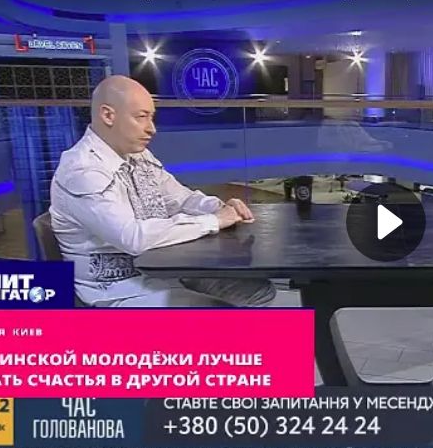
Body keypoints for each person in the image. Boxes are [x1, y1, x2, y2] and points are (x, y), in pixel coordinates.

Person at [50, 75, 276, 307]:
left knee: (257, 290)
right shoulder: (81, 170)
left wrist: (219, 208)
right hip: (119, 291)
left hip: (166, 272)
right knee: (215, 310)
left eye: (152, 118)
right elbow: (132, 238)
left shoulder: (139, 155)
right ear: (108, 115)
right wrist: (213, 221)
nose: (152, 129)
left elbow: (180, 199)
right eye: (141, 117)